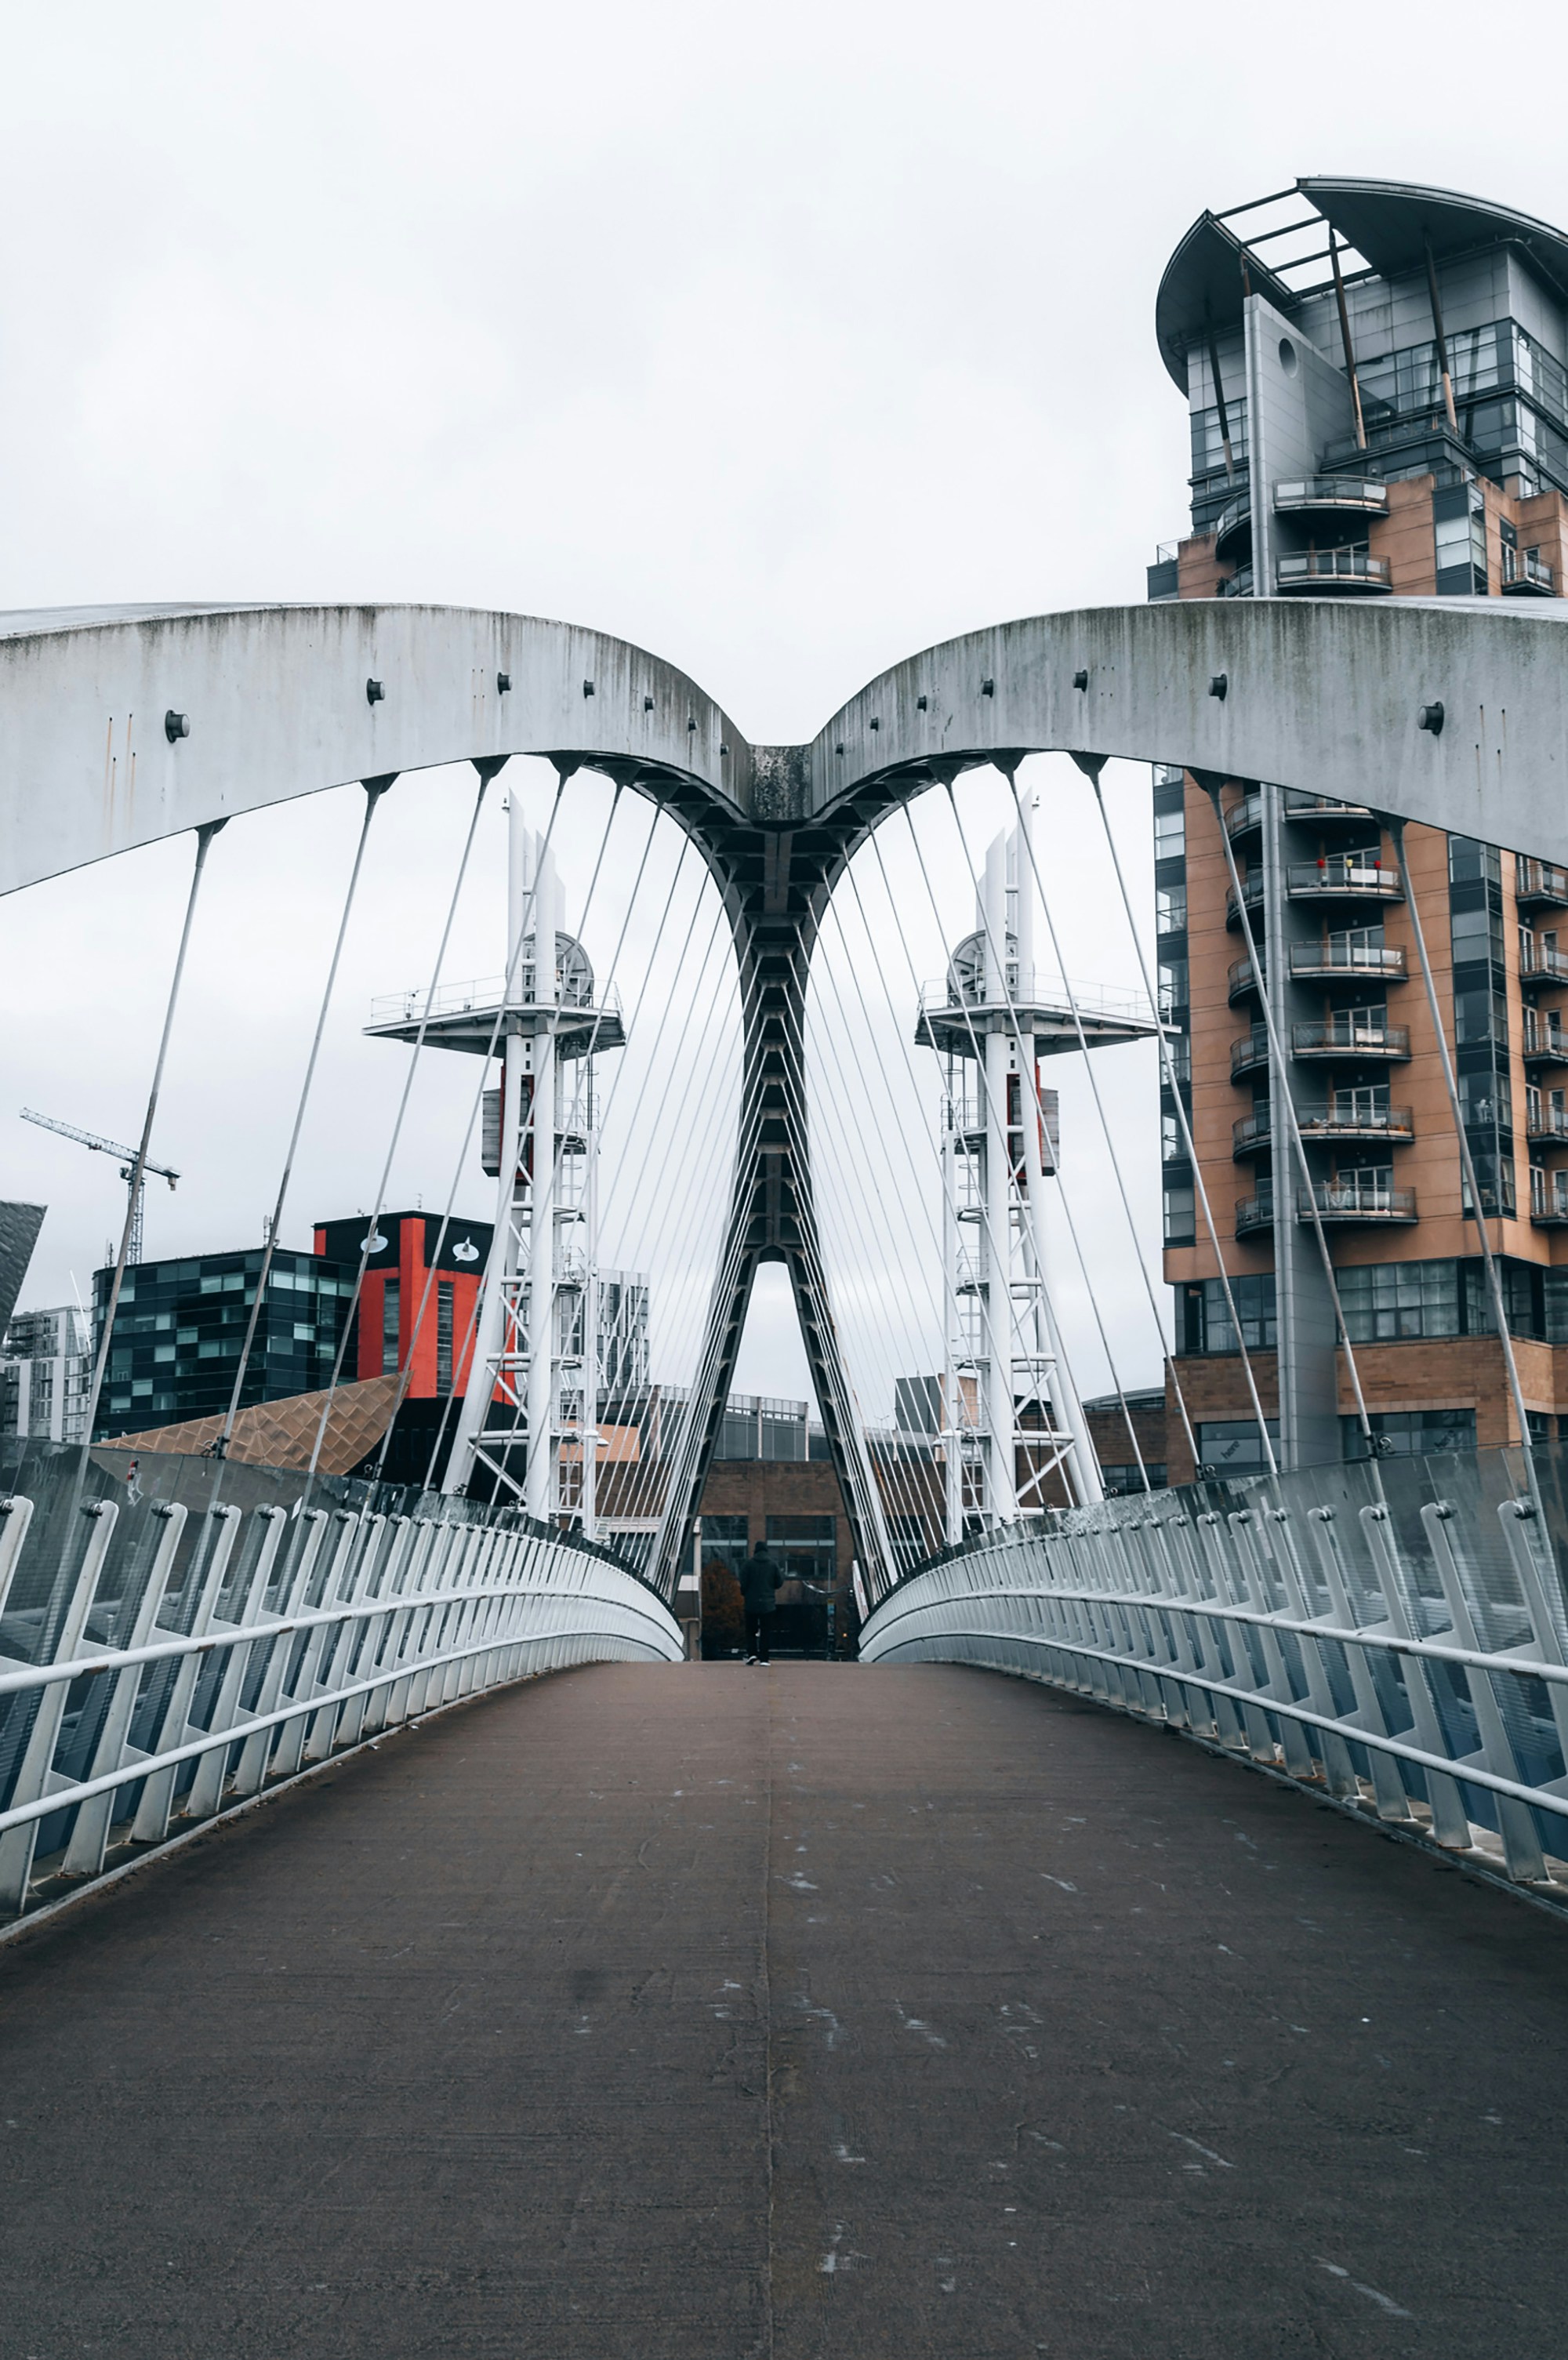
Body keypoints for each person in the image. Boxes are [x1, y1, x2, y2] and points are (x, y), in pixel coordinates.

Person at [737, 1542, 783, 1664]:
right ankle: (764, 1658)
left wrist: (744, 1593)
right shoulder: (773, 1564)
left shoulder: (748, 1564)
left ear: (755, 1551)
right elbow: (779, 1582)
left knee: (750, 1630)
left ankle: (752, 1653)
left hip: (751, 1603)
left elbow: (743, 1581)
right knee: (766, 1632)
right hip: (768, 1604)